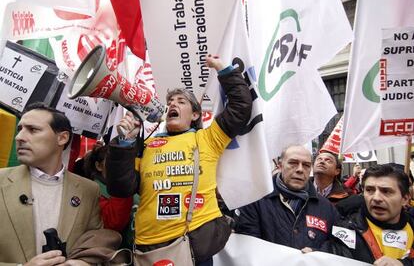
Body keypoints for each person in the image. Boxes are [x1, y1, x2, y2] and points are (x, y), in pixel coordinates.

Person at [105, 54, 252, 265]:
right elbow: (121, 187)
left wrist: (224, 70)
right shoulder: (146, 146)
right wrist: (125, 143)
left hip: (192, 243)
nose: (173, 104)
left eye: (181, 102)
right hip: (148, 246)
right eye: (170, 102)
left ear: (194, 115)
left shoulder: (207, 138)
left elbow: (240, 107)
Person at [0, 103, 121, 265]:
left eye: (33, 130)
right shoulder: (2, 182)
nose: (19, 137)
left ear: (62, 138)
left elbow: (96, 237)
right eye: (19, 129)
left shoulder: (88, 189)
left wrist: (83, 261)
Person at [234, 145, 339, 250]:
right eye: (293, 163)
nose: (300, 169)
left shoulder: (327, 208)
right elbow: (248, 248)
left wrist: (318, 253)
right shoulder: (255, 199)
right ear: (280, 166)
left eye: (306, 165)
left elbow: (338, 247)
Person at [321, 164, 414, 265]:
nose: (376, 198)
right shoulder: (345, 231)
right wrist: (314, 256)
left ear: (405, 199)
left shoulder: (412, 227)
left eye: (386, 191)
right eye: (370, 190)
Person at [83, 144, 138, 249]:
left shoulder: (135, 184)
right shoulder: (93, 191)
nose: (119, 165)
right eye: (112, 161)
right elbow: (114, 224)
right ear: (98, 166)